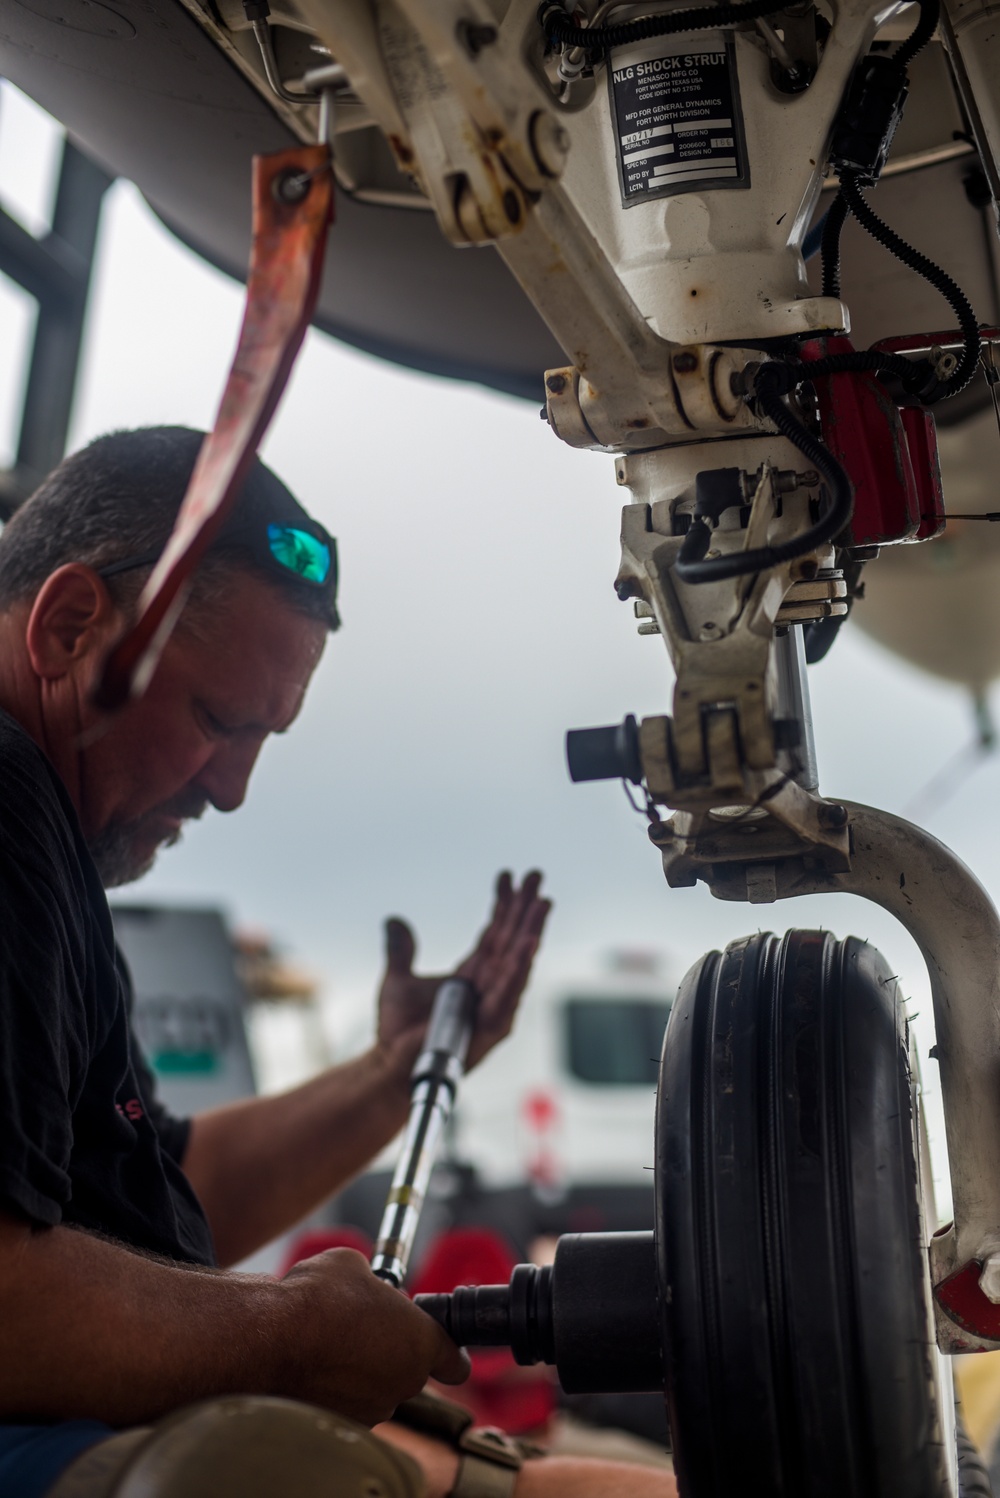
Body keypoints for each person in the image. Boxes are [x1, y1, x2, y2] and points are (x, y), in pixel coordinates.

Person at [0, 428, 676, 1498]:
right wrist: (281, 1334)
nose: (230, 790)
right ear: (69, 622)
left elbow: (167, 1211)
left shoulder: (56, 847)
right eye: (217, 721)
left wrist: (391, 1072)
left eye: (263, 737)